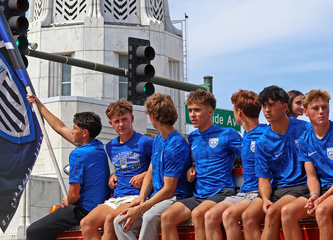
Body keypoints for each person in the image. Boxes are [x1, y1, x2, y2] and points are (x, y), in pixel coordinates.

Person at [281, 89, 333, 240]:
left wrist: (323, 197)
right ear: (305, 112)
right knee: (287, 211)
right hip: (323, 189)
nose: (321, 112)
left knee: (322, 209)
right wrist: (314, 195)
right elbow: (311, 176)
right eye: (315, 108)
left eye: (324, 107)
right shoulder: (305, 139)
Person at [25, 94, 110, 240]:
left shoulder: (78, 154)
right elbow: (60, 127)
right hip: (98, 206)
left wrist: (67, 201)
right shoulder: (97, 147)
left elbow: (73, 196)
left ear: (84, 133)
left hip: (82, 210)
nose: (71, 130)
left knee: (32, 232)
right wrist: (38, 104)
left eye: (75, 128)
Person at [161, 89, 242, 240]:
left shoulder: (228, 134)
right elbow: (191, 161)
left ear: (210, 112)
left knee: (198, 214)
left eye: (197, 110)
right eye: (190, 110)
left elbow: (250, 158)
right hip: (198, 195)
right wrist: (192, 167)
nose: (192, 114)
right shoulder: (192, 137)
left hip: (222, 192)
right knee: (167, 217)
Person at [114, 93, 192, 240]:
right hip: (156, 197)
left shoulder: (176, 144)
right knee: (119, 221)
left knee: (149, 216)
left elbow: (169, 190)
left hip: (176, 198)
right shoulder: (157, 139)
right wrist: (141, 198)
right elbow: (151, 171)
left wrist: (141, 208)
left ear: (153, 117)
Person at [241, 86, 309, 240]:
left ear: (285, 107)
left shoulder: (305, 128)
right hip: (275, 189)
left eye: (271, 105)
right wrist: (265, 198)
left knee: (272, 213)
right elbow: (264, 178)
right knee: (247, 216)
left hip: (300, 186)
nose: (266, 110)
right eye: (264, 106)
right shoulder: (263, 142)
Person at [80, 99, 153, 240]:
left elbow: (160, 164)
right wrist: (113, 174)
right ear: (111, 124)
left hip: (135, 197)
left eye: (124, 119)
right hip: (116, 197)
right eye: (117, 121)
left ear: (131, 118)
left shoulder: (146, 142)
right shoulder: (111, 146)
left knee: (110, 221)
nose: (121, 124)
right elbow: (121, 167)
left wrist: (144, 174)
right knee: (86, 223)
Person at [204, 90, 267, 240]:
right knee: (210, 216)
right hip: (243, 192)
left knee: (229, 215)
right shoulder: (245, 135)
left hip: (258, 192)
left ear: (239, 112)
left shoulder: (265, 134)